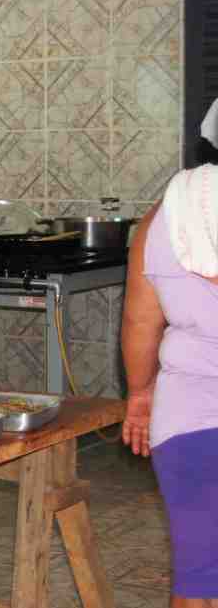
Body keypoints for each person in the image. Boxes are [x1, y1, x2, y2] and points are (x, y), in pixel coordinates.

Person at [122, 164, 218, 608]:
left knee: (198, 575)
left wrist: (141, 394)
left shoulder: (170, 211)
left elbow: (140, 321)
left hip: (185, 414)